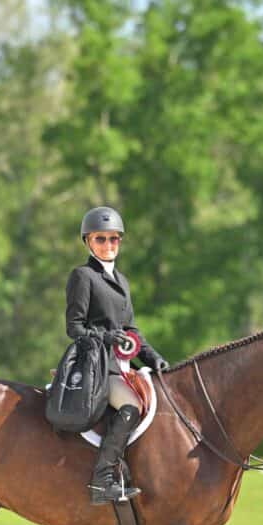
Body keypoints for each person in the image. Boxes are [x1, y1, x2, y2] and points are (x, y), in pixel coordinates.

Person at [65, 206, 170, 504]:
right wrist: (107, 338)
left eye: (114, 239)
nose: (109, 245)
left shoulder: (122, 281)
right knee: (131, 405)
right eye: (101, 239)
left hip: (122, 365)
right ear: (87, 241)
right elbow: (75, 328)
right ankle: (102, 480)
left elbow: (131, 332)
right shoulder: (83, 276)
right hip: (97, 366)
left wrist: (153, 358)